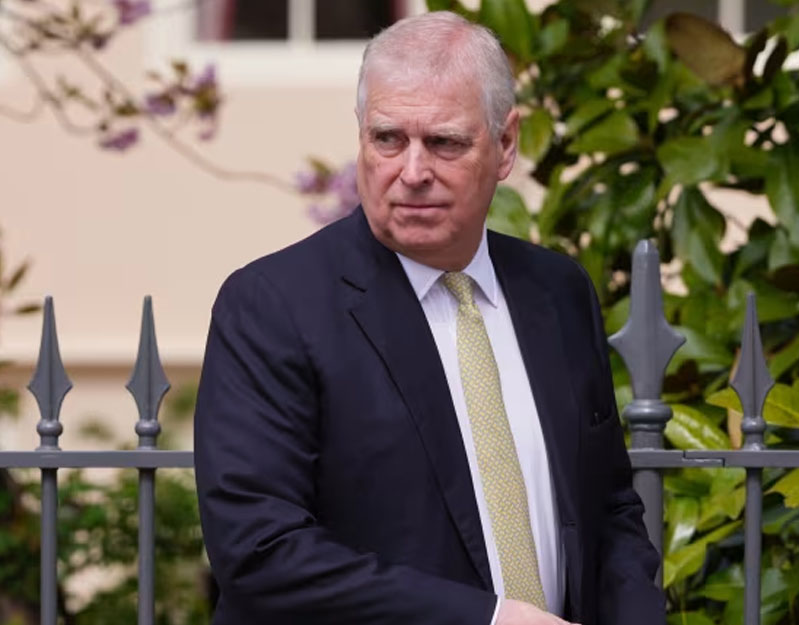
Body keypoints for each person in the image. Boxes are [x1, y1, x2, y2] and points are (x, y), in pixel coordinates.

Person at [193, 11, 664, 625]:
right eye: (388, 139)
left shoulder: (557, 292)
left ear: (506, 145)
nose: (412, 173)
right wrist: (491, 620)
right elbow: (261, 552)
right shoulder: (272, 306)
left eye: (444, 143)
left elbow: (608, 509)